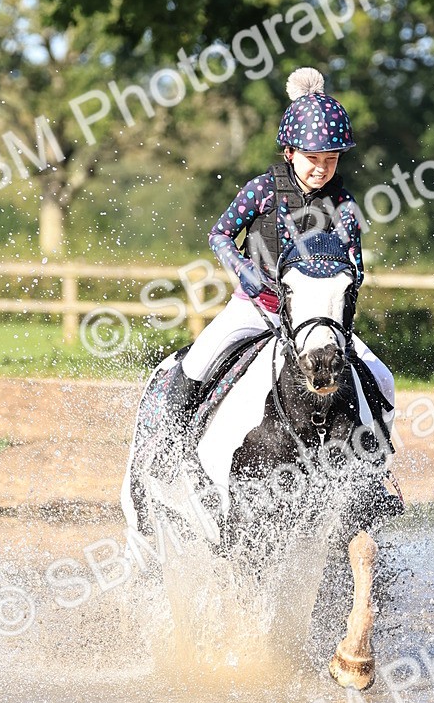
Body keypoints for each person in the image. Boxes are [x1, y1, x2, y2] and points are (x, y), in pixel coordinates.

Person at [162, 66, 394, 434]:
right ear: (289, 152)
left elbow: (357, 269)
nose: (321, 169)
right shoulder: (263, 189)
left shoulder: (344, 204)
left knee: (382, 379)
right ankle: (166, 446)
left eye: (331, 160)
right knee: (196, 365)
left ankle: (375, 467)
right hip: (257, 308)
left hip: (318, 321)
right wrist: (243, 271)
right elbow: (220, 235)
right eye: (312, 159)